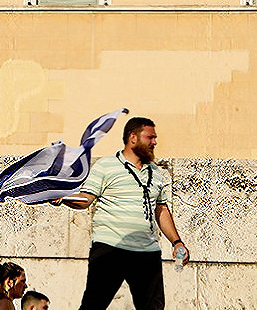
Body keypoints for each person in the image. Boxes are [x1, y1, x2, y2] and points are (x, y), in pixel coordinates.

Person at [51, 117, 190, 310]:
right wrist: (63, 198)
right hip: (110, 248)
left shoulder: (155, 172)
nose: (155, 142)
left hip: (147, 252)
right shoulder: (106, 166)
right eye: (150, 137)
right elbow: (86, 199)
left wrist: (177, 242)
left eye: (155, 138)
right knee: (94, 305)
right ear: (133, 137)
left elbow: (162, 209)